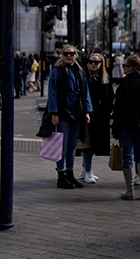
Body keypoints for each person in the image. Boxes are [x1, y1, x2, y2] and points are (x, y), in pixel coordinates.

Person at [46, 45, 93, 189]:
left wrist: (87, 111)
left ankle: (70, 173)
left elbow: (85, 92)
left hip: (77, 112)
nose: (68, 56)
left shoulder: (80, 71)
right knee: (62, 145)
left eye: (71, 53)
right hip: (63, 112)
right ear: (62, 55)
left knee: (72, 146)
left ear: (76, 55)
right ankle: (61, 176)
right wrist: (54, 113)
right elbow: (52, 93)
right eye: (66, 53)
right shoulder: (57, 71)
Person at [112, 55, 140, 200]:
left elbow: (117, 110)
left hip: (125, 124)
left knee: (127, 157)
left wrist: (115, 128)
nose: (122, 68)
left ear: (130, 68)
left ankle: (130, 191)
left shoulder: (124, 86)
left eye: (124, 65)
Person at [79, 52, 113, 185]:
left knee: (95, 143)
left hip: (102, 115)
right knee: (88, 144)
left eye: (96, 62)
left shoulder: (105, 78)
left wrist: (110, 110)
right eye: (91, 62)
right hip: (88, 114)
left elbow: (110, 96)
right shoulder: (84, 77)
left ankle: (84, 169)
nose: (93, 64)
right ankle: (88, 171)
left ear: (101, 64)